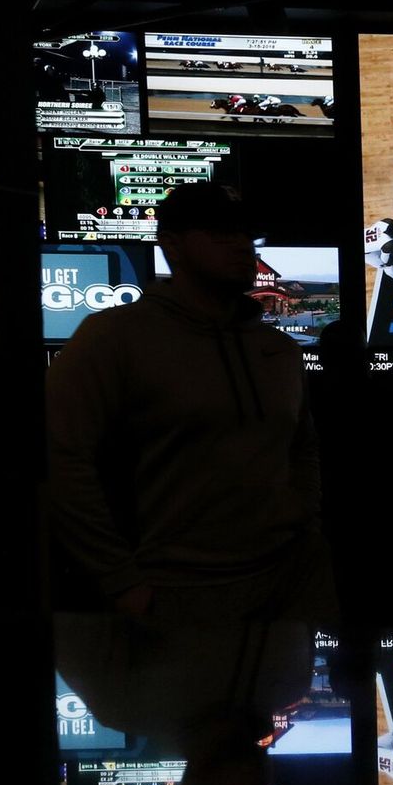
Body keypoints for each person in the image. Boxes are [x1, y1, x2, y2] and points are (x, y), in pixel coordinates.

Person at [47, 183, 335, 623]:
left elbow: (302, 447)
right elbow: (61, 459)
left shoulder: (278, 347)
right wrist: (121, 581)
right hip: (178, 592)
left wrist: (306, 529)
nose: (241, 246)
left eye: (245, 234)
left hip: (292, 583)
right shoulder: (112, 337)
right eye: (221, 233)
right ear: (172, 246)